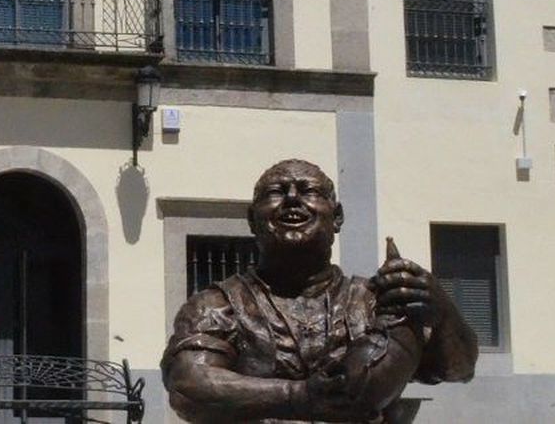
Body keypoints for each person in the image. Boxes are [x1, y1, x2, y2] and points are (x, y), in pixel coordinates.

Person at [162, 159, 476, 423]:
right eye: (276, 192)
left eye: (309, 191)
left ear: (336, 216)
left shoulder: (375, 301)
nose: (292, 199)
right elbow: (189, 385)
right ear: (251, 220)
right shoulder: (215, 305)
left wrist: (443, 310)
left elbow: (457, 369)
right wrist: (298, 396)